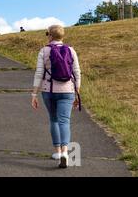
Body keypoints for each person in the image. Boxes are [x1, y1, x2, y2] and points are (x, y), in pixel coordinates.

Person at [31, 25, 81, 168]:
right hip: (68, 91)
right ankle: (65, 153)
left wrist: (34, 94)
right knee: (64, 121)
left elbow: (39, 73)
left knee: (54, 120)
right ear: (62, 36)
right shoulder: (71, 50)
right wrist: (77, 92)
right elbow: (77, 72)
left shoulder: (44, 51)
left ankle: (58, 152)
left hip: (49, 90)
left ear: (50, 36)